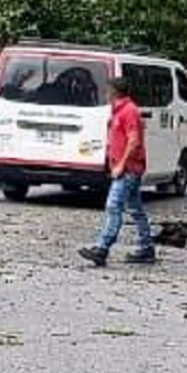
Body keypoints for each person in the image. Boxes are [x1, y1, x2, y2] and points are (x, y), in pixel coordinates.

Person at [79, 75, 155, 267]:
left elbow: (133, 139)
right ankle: (146, 247)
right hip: (126, 167)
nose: (105, 93)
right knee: (136, 209)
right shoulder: (119, 111)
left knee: (113, 206)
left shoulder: (128, 111)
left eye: (107, 90)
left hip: (128, 169)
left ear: (114, 91)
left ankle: (102, 248)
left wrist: (121, 163)